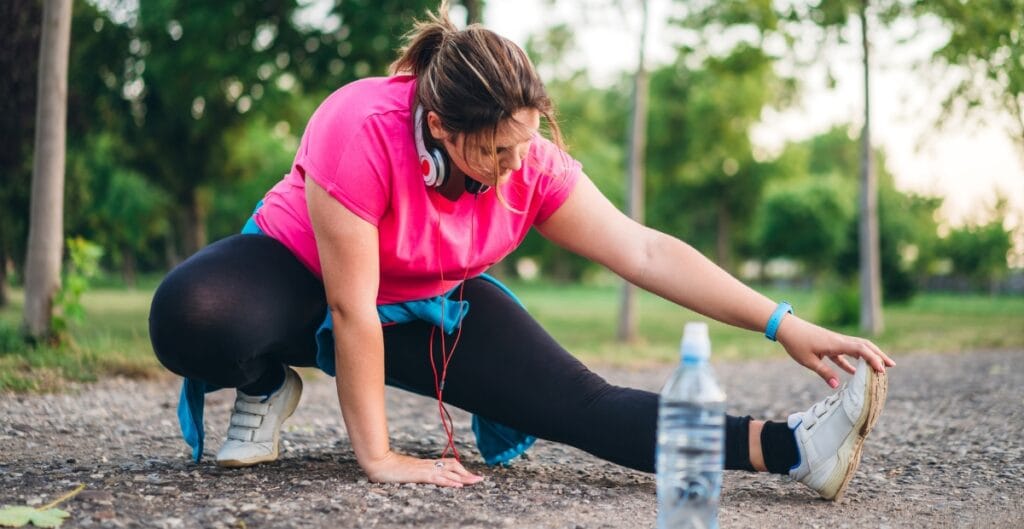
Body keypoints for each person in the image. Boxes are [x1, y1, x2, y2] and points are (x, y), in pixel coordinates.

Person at [149, 1, 894, 501]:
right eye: (497, 150)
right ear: (439, 126)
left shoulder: (527, 158)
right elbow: (349, 306)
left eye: (527, 141)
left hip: (423, 305)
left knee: (583, 405)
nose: (517, 165)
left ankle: (795, 448)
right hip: (294, 275)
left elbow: (645, 251)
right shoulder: (359, 125)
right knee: (191, 314)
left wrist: (783, 323)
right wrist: (378, 456)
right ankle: (265, 381)